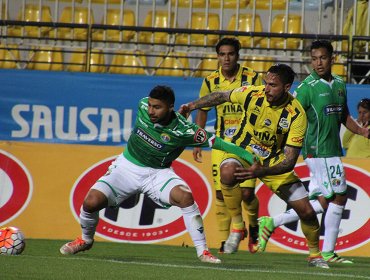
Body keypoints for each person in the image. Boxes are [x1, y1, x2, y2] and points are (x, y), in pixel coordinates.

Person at [60, 85, 258, 264]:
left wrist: (249, 156)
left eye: (157, 107)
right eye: (151, 106)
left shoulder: (185, 130)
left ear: (171, 107)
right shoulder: (142, 105)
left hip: (157, 174)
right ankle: (85, 240)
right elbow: (147, 107)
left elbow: (218, 142)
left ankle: (203, 252)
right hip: (126, 167)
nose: (151, 111)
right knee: (90, 202)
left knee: (186, 197)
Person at [180, 64, 329, 268]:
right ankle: (238, 225)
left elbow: (289, 161)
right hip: (243, 151)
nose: (266, 88)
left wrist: (262, 171)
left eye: (273, 85)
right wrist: (191, 106)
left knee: (307, 212)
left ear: (287, 87)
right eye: (266, 83)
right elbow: (221, 96)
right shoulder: (252, 93)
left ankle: (315, 255)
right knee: (227, 172)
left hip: (274, 164)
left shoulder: (296, 115)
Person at [257, 40, 370, 264]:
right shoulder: (306, 89)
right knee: (339, 197)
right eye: (314, 58)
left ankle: (272, 222)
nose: (318, 63)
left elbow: (344, 116)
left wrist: (363, 132)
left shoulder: (339, 83)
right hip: (317, 151)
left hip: (332, 150)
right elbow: (288, 117)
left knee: (328, 201)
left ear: (332, 58)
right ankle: (328, 252)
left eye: (323, 58)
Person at [193, 37, 262, 254]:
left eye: (230, 54)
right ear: (217, 56)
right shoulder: (210, 81)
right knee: (222, 193)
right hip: (222, 143)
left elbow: (263, 105)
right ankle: (225, 241)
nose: (226, 58)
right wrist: (198, 141)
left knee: (247, 195)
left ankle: (253, 226)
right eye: (222, 54)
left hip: (249, 144)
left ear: (238, 55)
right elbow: (202, 110)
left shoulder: (252, 77)